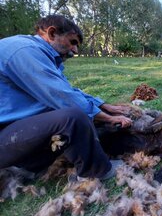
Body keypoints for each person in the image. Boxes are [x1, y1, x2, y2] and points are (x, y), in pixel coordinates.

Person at [0, 15, 132, 180]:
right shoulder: (23, 51)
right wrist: (107, 118)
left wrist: (104, 105)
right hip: (5, 136)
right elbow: (63, 97)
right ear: (52, 33)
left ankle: (31, 164)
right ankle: (95, 171)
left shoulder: (36, 52)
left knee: (83, 121)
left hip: (15, 130)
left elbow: (68, 90)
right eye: (73, 42)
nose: (75, 51)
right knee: (73, 117)